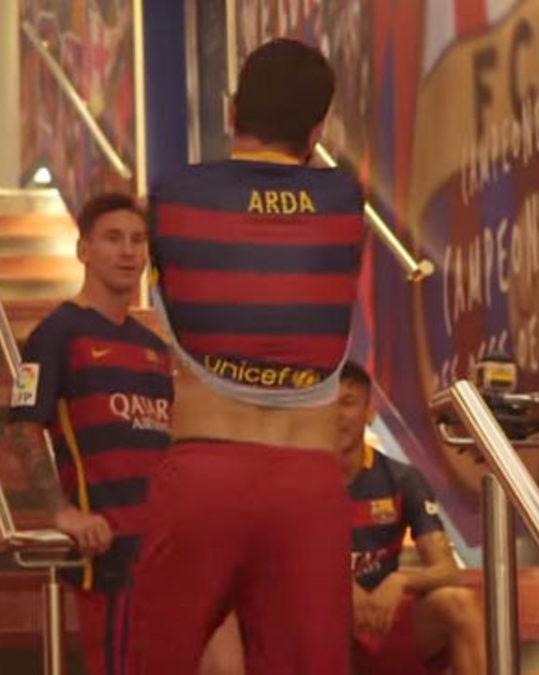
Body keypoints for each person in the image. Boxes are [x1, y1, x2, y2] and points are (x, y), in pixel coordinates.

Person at [126, 39, 366, 675]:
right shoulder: (346, 202)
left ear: (232, 110)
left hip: (204, 473)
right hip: (306, 483)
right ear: (318, 130)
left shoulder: (173, 196)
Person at [7, 193, 172, 675]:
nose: (128, 251)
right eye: (113, 239)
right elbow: (22, 426)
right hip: (106, 555)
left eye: (138, 240)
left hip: (159, 553)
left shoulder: (154, 348)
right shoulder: (56, 334)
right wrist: (61, 511)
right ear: (83, 250)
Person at [337, 361, 485, 675]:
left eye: (348, 403)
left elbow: (447, 571)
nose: (337, 415)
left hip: (382, 622)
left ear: (369, 412)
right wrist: (338, 586)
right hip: (320, 625)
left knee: (458, 604)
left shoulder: (402, 479)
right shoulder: (296, 480)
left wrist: (400, 580)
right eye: (327, 405)